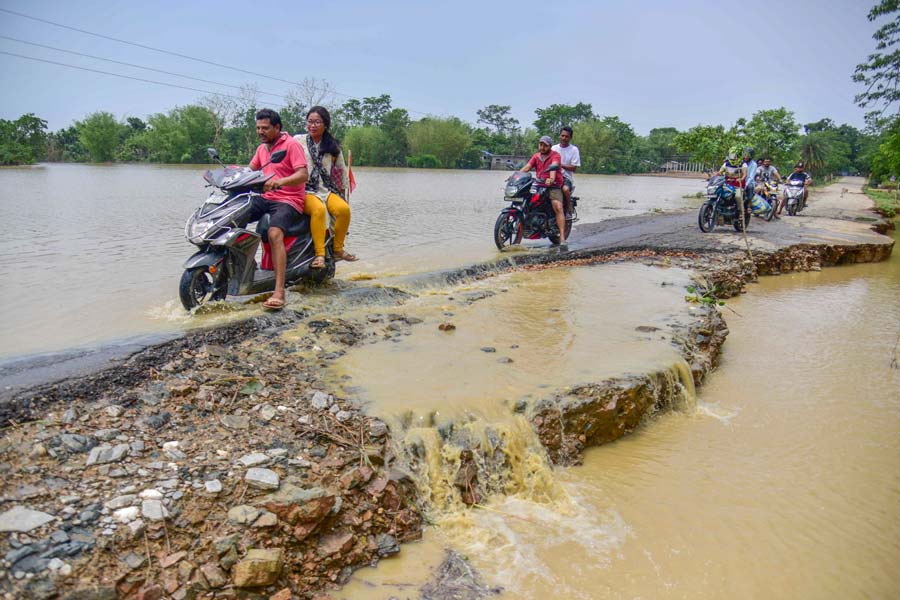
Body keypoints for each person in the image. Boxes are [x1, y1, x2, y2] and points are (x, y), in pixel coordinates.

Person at [246, 108, 308, 310]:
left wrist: (279, 182)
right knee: (233, 215)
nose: (260, 132)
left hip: (289, 199)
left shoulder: (292, 145)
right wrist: (229, 176)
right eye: (258, 128)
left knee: (274, 234)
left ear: (277, 127)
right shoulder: (262, 149)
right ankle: (241, 269)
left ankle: (279, 291)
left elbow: (302, 174)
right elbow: (250, 171)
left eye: (265, 128)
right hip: (266, 197)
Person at [293, 106, 356, 269]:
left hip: (325, 189)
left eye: (317, 122)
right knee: (318, 210)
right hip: (304, 189)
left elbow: (341, 170)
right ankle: (319, 254)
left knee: (343, 210)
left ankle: (337, 249)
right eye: (310, 122)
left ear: (325, 125)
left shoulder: (332, 146)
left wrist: (342, 192)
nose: (313, 125)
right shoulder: (297, 141)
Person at [518, 135, 566, 244]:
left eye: (545, 145)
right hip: (538, 185)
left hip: (553, 185)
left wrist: (551, 178)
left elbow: (554, 166)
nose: (542, 147)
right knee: (527, 201)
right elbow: (527, 167)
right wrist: (516, 175)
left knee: (557, 206)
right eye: (541, 144)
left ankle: (562, 237)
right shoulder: (536, 156)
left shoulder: (555, 155)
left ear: (550, 146)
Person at [551, 126, 581, 217]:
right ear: (559, 136)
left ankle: (568, 208)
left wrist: (560, 165)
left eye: (566, 136)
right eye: (562, 136)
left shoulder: (574, 150)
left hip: (566, 178)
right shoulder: (553, 148)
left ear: (570, 138)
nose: (564, 138)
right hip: (553, 176)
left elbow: (574, 168)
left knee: (565, 189)